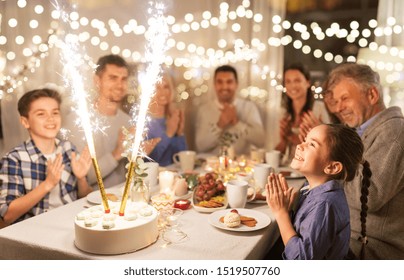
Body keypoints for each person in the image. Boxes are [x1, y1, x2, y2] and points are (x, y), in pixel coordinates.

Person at [324, 63, 404, 259]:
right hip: (349, 238)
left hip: (370, 251)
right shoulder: (365, 131)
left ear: (372, 95)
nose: (339, 107)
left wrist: (328, 157)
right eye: (336, 100)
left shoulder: (394, 132)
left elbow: (369, 196)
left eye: (345, 98)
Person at [266, 124, 371, 259]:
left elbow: (301, 259)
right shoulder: (311, 189)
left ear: (332, 167)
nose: (299, 145)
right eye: (305, 140)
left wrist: (281, 214)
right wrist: (287, 211)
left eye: (312, 145)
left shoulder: (325, 204)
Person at [0, 88, 93, 227]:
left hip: (72, 224)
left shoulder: (68, 149)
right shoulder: (14, 159)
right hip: (36, 233)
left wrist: (81, 179)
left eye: (55, 112)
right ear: (25, 122)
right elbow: (6, 216)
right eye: (41, 114)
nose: (51, 119)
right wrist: (47, 184)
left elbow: (85, 197)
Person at [64, 54, 159, 189]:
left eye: (124, 79)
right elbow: (81, 177)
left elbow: (127, 174)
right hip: (90, 204)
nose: (120, 85)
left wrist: (138, 156)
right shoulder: (78, 121)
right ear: (97, 81)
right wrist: (116, 153)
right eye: (113, 78)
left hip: (124, 199)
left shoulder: (127, 120)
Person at [195, 65, 264, 156]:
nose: (225, 87)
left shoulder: (249, 107)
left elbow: (261, 141)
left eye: (229, 82)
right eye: (220, 82)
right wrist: (220, 124)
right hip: (212, 166)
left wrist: (236, 122)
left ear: (236, 84)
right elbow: (200, 146)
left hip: (243, 166)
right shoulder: (204, 110)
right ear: (214, 85)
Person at [275, 63, 330, 165]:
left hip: (311, 167)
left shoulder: (319, 109)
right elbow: (278, 151)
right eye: (288, 81)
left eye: (297, 80)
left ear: (308, 82)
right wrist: (285, 140)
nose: (292, 86)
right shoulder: (284, 113)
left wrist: (319, 132)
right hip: (288, 167)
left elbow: (329, 147)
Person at [146, 73, 187, 166]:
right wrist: (168, 134)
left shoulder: (171, 118)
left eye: (166, 87)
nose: (163, 92)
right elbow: (146, 162)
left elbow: (182, 157)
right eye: (157, 87)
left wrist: (180, 132)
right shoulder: (145, 123)